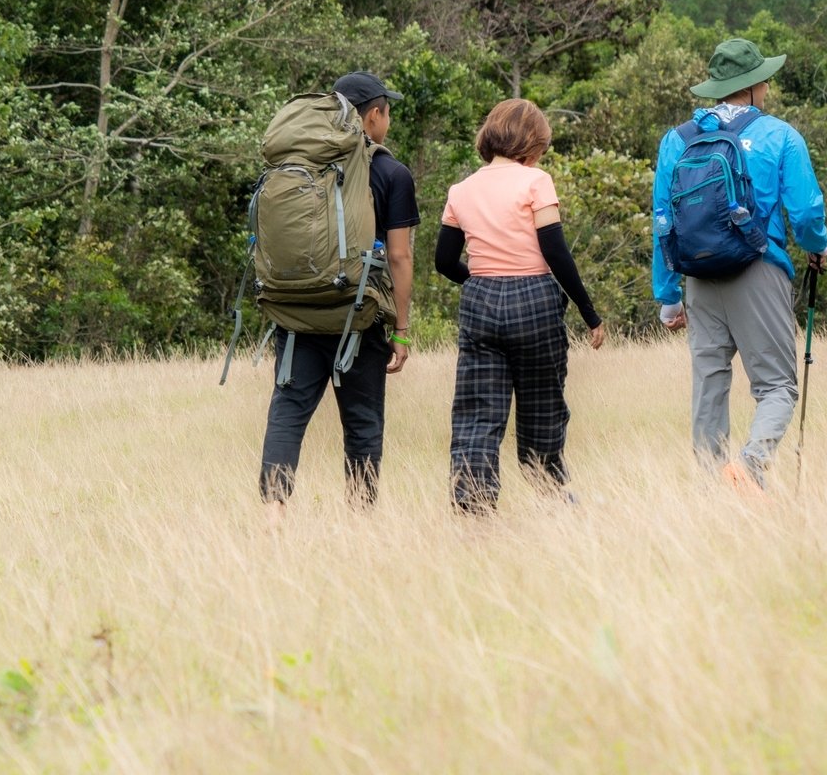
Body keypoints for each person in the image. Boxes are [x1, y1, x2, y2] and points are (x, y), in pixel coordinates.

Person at [652, 38, 827, 493]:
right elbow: (805, 212)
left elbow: (663, 221)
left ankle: (713, 488)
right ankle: (751, 466)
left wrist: (668, 296)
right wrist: (817, 246)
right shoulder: (779, 135)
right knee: (777, 387)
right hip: (759, 267)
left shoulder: (677, 140)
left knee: (709, 387)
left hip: (698, 277)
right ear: (752, 86)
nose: (767, 87)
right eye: (763, 80)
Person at [259, 71, 417, 512]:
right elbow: (400, 257)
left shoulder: (297, 162)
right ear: (373, 115)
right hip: (358, 316)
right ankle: (360, 520)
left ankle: (273, 518)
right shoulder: (391, 173)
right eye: (387, 113)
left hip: (296, 312)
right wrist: (401, 330)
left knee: (288, 412)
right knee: (363, 423)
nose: (387, 122)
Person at [437, 99, 605, 512]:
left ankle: (473, 505)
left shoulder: (461, 190)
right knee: (543, 404)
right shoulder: (535, 182)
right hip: (534, 300)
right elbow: (556, 252)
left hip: (480, 300)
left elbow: (443, 261)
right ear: (532, 143)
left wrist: (480, 283)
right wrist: (589, 313)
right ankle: (551, 493)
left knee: (477, 411)